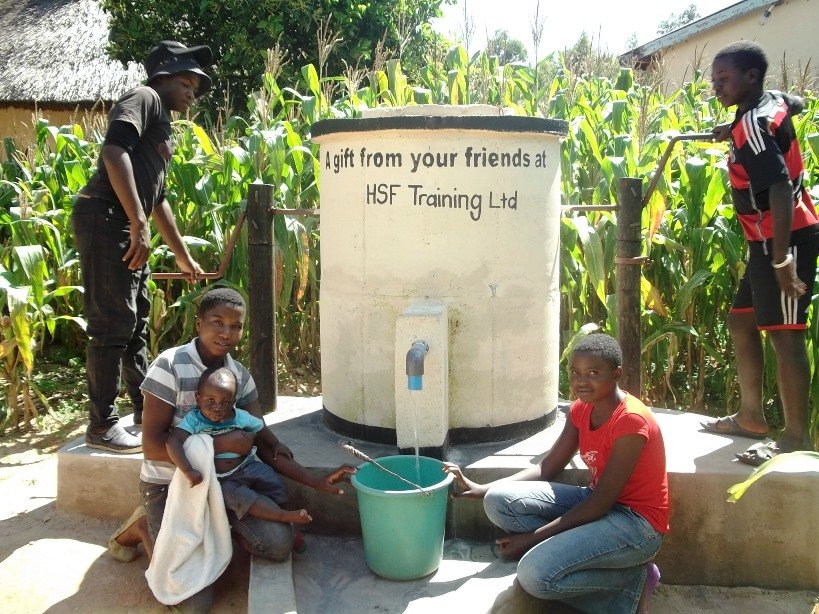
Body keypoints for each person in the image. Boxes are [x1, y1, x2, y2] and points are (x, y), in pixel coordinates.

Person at [108, 287, 355, 610]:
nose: (226, 333)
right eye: (216, 322)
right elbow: (153, 446)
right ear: (199, 323)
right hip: (173, 485)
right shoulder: (169, 366)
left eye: (235, 326)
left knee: (277, 544)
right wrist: (221, 444)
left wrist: (313, 480)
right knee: (192, 603)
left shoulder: (238, 377)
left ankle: (220, 528)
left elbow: (264, 443)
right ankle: (144, 527)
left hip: (228, 483)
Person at [444, 333, 668, 613]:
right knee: (498, 500)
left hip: (636, 524)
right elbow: (546, 468)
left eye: (593, 373)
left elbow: (600, 503)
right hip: (596, 502)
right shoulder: (581, 409)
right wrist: (482, 488)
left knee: (534, 575)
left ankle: (632, 581)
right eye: (575, 372)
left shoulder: (631, 421)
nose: (581, 381)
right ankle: (570, 554)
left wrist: (533, 537)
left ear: (616, 374)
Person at [72, 40, 213, 453]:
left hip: (122, 221)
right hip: (106, 217)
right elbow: (113, 150)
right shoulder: (145, 97)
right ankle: (101, 425)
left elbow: (159, 199)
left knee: (133, 324)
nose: (192, 93)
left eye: (197, 87)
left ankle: (143, 409)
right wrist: (136, 222)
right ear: (163, 76)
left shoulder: (163, 124)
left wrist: (183, 254)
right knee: (111, 325)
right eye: (187, 83)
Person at [700, 41, 819, 464]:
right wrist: (731, 131)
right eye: (714, 79)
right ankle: (751, 415)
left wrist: (783, 260)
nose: (716, 86)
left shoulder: (752, 123)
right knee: (740, 321)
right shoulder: (768, 106)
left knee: (786, 335)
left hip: (783, 240)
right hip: (762, 241)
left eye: (724, 78)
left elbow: (781, 188)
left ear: (751, 77)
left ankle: (795, 437)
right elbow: (796, 101)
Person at [166, 366, 311, 526]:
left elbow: (260, 427)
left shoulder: (239, 417)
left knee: (274, 483)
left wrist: (276, 443)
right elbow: (173, 441)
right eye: (210, 400)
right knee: (239, 497)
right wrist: (187, 470)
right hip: (223, 478)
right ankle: (284, 517)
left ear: (233, 402)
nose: (217, 407)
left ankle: (285, 521)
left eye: (225, 402)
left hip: (248, 466)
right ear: (198, 398)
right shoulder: (194, 420)